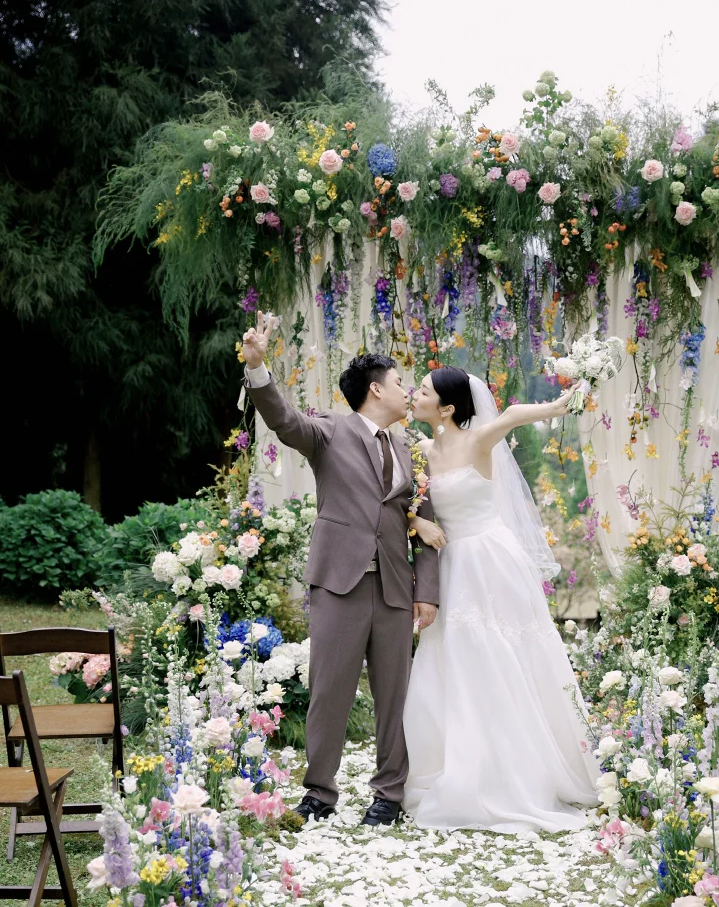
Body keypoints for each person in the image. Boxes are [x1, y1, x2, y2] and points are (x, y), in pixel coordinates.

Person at [242, 312, 439, 827]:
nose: (407, 390)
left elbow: (425, 519)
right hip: (339, 583)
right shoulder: (329, 431)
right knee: (329, 691)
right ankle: (319, 793)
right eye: (400, 382)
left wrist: (428, 591)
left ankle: (388, 795)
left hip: (395, 587)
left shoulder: (411, 448)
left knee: (396, 697)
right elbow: (285, 421)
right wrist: (258, 369)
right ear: (376, 390)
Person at [403, 365, 601, 833]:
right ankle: (458, 763)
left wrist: (562, 404)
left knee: (509, 652)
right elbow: (403, 504)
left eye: (424, 391)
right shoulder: (421, 451)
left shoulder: (478, 440)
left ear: (447, 409)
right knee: (456, 658)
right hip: (452, 564)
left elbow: (512, 413)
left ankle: (525, 769)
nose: (415, 395)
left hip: (490, 559)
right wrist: (415, 522)